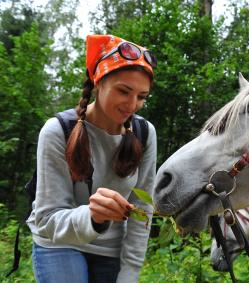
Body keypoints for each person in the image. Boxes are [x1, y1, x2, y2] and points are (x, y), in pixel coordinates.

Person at [26, 34, 158, 283]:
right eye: (123, 91)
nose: (132, 104)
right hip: (58, 244)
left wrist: (130, 273)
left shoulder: (145, 134)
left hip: (111, 250)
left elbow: (143, 209)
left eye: (141, 97)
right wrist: (92, 217)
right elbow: (46, 219)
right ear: (98, 82)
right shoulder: (58, 131)